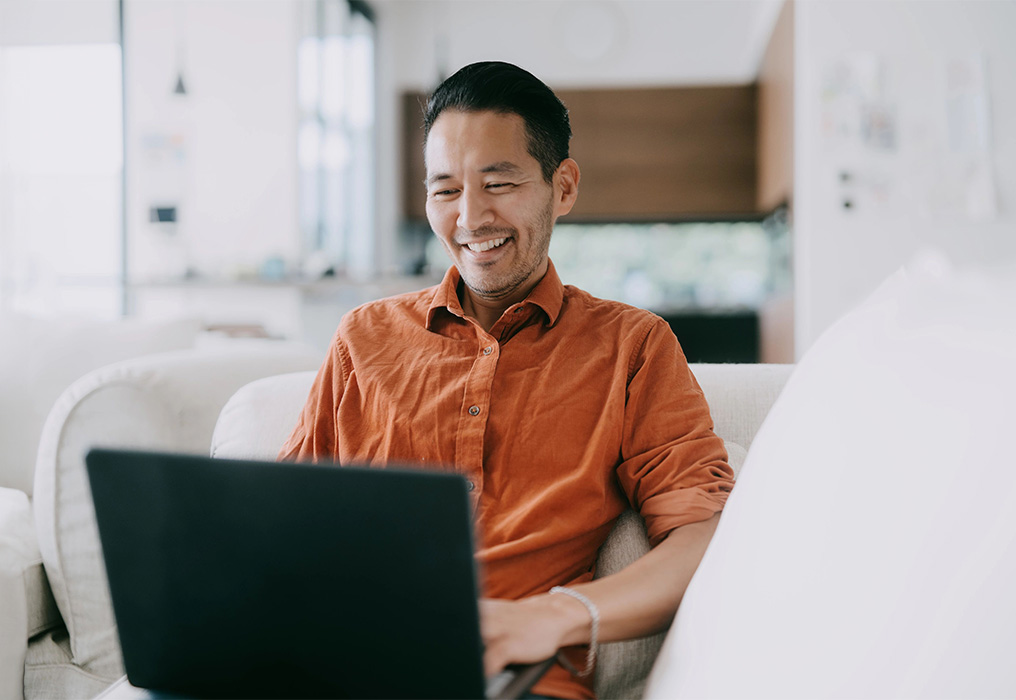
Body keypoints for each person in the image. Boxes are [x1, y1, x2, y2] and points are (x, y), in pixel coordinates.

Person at [280, 61, 733, 700]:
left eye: (498, 182)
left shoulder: (631, 346)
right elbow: (280, 521)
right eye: (445, 191)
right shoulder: (364, 337)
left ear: (564, 186)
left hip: (517, 683)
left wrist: (553, 617)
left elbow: (704, 535)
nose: (470, 217)